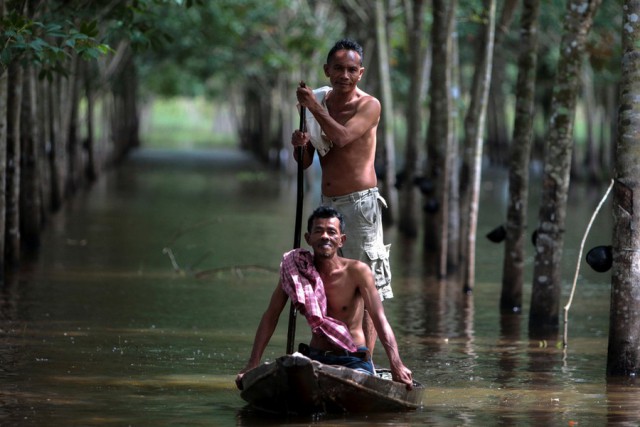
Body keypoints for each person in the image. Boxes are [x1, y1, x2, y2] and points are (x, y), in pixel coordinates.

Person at [235, 206, 413, 390]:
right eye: (318, 231)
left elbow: (380, 320)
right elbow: (270, 317)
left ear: (341, 240)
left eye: (331, 232)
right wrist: (252, 364)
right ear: (308, 238)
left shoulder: (358, 272)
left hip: (352, 360)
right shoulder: (296, 271)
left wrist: (396, 364)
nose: (325, 236)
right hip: (315, 357)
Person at [291, 38, 392, 355]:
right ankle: (332, 353)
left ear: (360, 73)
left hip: (360, 206)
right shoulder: (320, 101)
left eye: (351, 70)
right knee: (329, 281)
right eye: (338, 69)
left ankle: (367, 364)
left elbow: (344, 138)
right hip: (328, 205)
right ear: (327, 70)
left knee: (365, 287)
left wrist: (313, 107)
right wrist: (300, 144)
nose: (344, 76)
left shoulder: (369, 105)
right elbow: (306, 161)